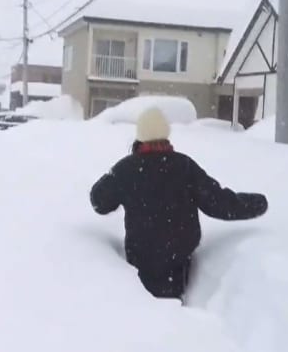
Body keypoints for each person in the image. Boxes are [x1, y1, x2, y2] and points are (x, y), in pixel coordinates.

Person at [89, 107, 268, 300]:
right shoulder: (184, 166)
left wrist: (116, 179)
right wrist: (256, 203)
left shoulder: (126, 169)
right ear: (166, 135)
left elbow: (99, 202)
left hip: (140, 261)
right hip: (178, 262)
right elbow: (218, 203)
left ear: (140, 136)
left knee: (142, 309)